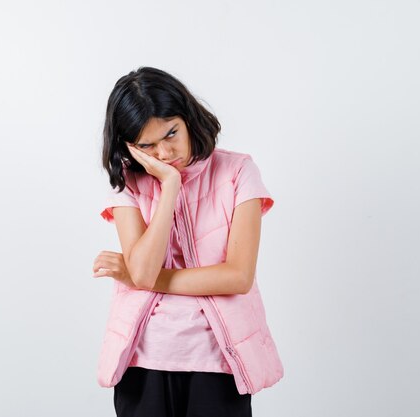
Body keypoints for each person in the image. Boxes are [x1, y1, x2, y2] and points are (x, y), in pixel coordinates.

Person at [92, 67, 283, 417]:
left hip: (218, 361)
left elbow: (238, 276)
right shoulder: (129, 186)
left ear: (188, 117)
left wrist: (139, 277)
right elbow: (146, 269)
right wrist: (169, 186)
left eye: (171, 134)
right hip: (143, 362)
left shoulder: (239, 172)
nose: (164, 153)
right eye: (146, 146)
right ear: (129, 147)